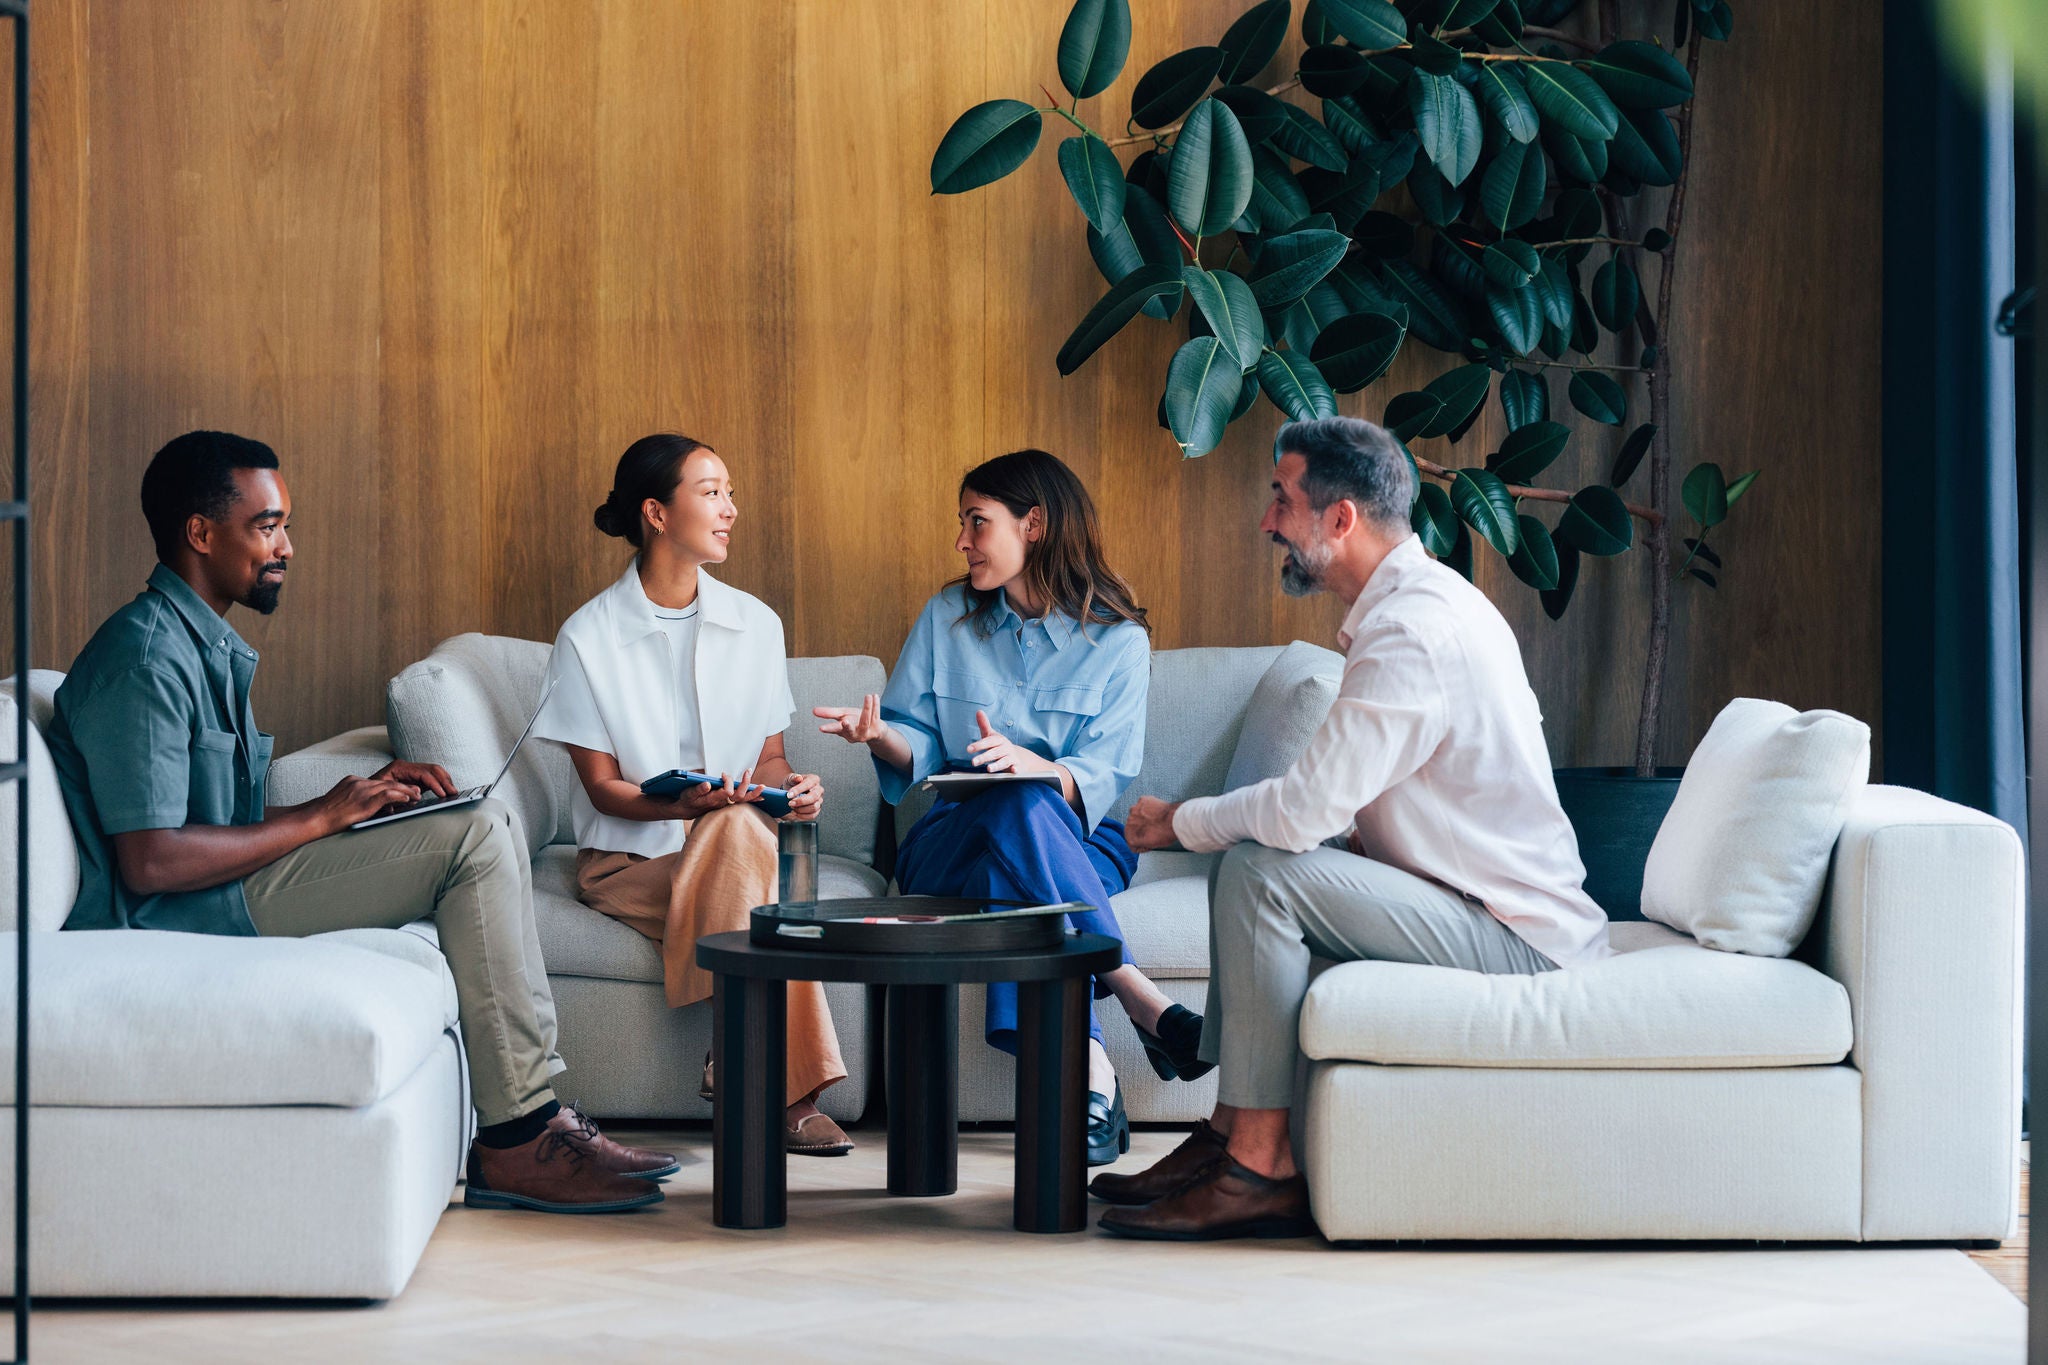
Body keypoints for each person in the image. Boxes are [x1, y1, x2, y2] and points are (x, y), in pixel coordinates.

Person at [46, 430, 673, 1215]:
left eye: (284, 525)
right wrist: (321, 815)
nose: (288, 546)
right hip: (175, 913)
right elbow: (153, 861)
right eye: (267, 526)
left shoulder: (200, 643)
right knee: (473, 838)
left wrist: (357, 798)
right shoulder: (145, 658)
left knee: (482, 816)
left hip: (220, 886)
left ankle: (534, 1123)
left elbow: (212, 821)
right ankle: (522, 1134)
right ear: (201, 534)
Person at [1096, 416, 1612, 1240]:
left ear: (1341, 520)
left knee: (1265, 862)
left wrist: (1179, 823)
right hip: (1466, 903)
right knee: (1264, 858)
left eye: (1281, 499)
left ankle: (1259, 1165)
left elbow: (1303, 810)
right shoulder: (1415, 606)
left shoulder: (1412, 630)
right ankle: (1228, 1132)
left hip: (1518, 937)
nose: (1267, 521)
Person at [815, 449, 1204, 1167]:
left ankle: (1091, 1075)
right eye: (962, 524)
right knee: (1004, 809)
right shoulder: (947, 616)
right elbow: (919, 740)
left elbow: (1106, 770)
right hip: (949, 840)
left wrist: (1041, 770)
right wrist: (880, 736)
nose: (962, 542)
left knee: (1019, 825)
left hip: (1082, 839)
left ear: (1035, 524)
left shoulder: (1118, 640)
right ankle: (1137, 1006)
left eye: (976, 522)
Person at [534, 433, 853, 1157]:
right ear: (656, 512)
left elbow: (769, 760)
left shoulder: (757, 623)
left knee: (740, 830)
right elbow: (604, 789)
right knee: (741, 845)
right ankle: (785, 1092)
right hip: (630, 859)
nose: (731, 508)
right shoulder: (587, 636)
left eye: (730, 492)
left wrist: (794, 789)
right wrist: (687, 806)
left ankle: (738, 1059)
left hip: (741, 844)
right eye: (711, 492)